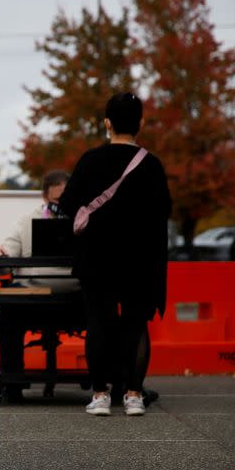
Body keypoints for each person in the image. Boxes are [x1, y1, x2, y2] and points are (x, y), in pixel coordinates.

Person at [59, 92, 171, 416]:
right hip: (140, 260)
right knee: (135, 325)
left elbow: (67, 203)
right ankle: (134, 395)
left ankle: (100, 396)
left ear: (107, 123)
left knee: (98, 324)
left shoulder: (90, 161)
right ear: (141, 123)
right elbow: (164, 210)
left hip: (97, 258)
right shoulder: (151, 165)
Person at [0, 171, 82, 402]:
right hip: (34, 299)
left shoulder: (87, 222)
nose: (63, 206)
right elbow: (5, 264)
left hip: (77, 299)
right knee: (8, 311)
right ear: (44, 197)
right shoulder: (25, 221)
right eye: (58, 201)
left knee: (102, 306)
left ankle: (105, 381)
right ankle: (12, 384)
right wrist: (0, 257)